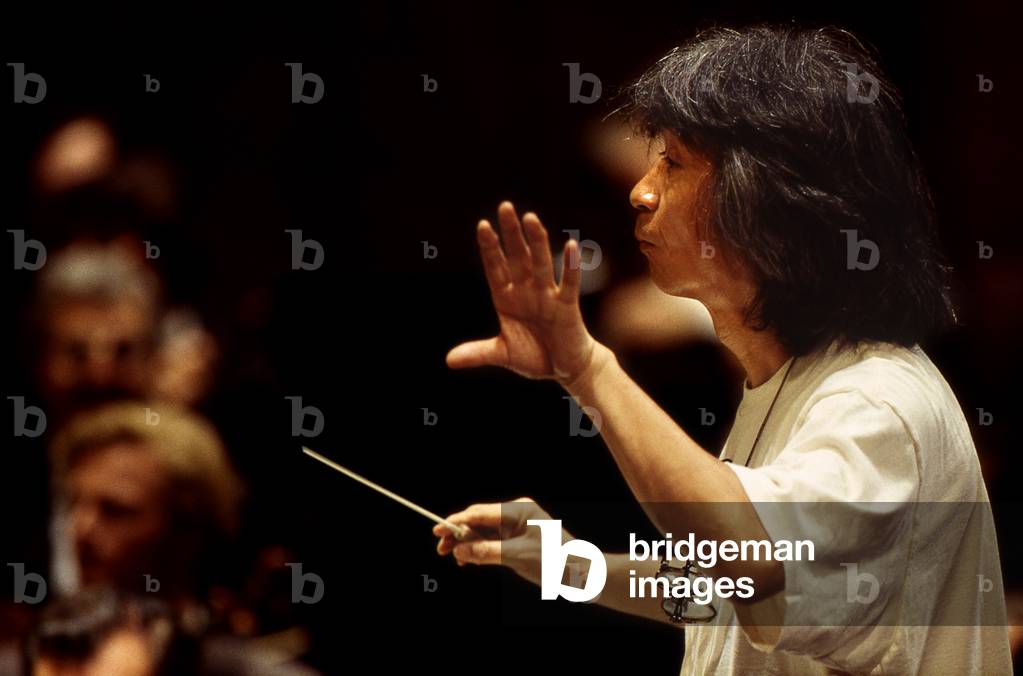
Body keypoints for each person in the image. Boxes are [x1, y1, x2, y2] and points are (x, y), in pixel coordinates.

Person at [432, 25, 1013, 675]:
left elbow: (753, 560)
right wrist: (566, 563)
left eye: (672, 163)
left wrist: (585, 366)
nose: (640, 191)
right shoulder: (790, 383)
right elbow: (722, 595)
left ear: (767, 203)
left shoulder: (875, 400)